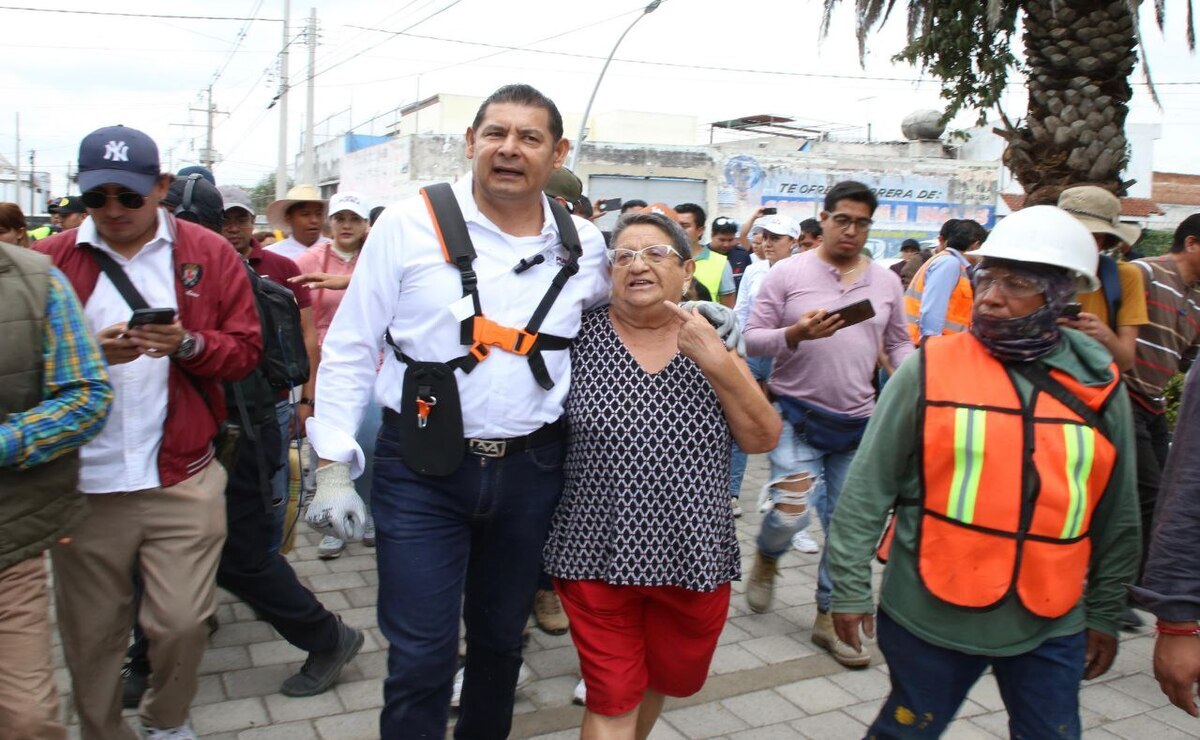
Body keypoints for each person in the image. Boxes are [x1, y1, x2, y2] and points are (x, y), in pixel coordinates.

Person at [302, 84, 612, 739]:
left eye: (530, 138)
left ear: (556, 154)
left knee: (500, 649)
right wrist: (332, 461)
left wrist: (692, 320)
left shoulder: (582, 243)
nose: (509, 148)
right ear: (470, 142)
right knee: (421, 659)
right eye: (496, 133)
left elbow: (617, 325)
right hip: (420, 470)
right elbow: (353, 344)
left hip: (533, 471)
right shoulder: (407, 224)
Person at [828, 205, 1141, 738]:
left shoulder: (1098, 381)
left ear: (1061, 293)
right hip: (929, 610)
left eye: (1017, 282)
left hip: (1052, 619)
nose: (991, 296)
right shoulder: (930, 368)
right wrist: (850, 589)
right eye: (986, 277)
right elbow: (867, 489)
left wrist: (1106, 611)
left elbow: (1119, 513)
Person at [36, 124, 262, 740]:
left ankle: (166, 719)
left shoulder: (207, 255)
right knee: (91, 637)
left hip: (181, 476)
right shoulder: (50, 262)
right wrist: (87, 356)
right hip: (83, 486)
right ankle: (103, 731)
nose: (112, 211)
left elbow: (245, 353)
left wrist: (187, 343)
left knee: (184, 622)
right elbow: (21, 368)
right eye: (97, 197)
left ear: (160, 188)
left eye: (129, 197)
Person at [543, 210, 780, 739]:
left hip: (691, 555)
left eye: (654, 253)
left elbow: (762, 438)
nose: (637, 265)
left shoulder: (709, 336)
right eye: (623, 255)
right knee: (611, 695)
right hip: (593, 553)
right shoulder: (577, 337)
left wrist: (717, 360)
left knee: (660, 679)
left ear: (687, 271)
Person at [743, 180, 912, 668]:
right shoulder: (787, 273)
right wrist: (795, 334)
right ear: (825, 218)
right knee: (791, 512)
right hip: (797, 416)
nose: (851, 231)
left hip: (860, 425)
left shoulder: (884, 281)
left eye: (862, 223)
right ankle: (769, 553)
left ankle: (829, 615)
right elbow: (753, 340)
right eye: (843, 220)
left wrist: (915, 374)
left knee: (846, 527)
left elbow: (898, 342)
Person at [0, 241, 113, 740]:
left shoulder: (36, 281)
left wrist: (7, 439)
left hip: (10, 547)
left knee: (29, 720)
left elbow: (88, 396)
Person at [219, 184, 321, 548]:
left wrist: (307, 400)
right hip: (217, 403)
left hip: (275, 401)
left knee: (273, 486)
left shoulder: (281, 267)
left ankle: (269, 559)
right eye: (224, 219)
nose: (232, 227)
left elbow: (308, 334)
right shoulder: (200, 265)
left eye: (240, 219)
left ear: (252, 221)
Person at [294, 191, 378, 558]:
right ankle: (333, 525)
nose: (346, 225)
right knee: (327, 447)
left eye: (354, 219)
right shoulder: (309, 260)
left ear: (365, 225)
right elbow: (305, 328)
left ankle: (369, 512)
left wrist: (346, 281)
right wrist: (307, 387)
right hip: (327, 365)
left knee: (372, 443)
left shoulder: (378, 258)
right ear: (331, 223)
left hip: (374, 365)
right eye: (340, 218)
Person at [1125, 214, 1200, 602]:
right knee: (1148, 493)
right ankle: (1124, 591)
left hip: (1152, 403)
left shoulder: (1196, 299)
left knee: (1162, 498)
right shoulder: (1143, 273)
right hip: (1121, 396)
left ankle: (1137, 585)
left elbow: (1185, 359)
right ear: (1191, 243)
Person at [1129, 359, 1200, 717]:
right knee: (1147, 494)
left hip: (1150, 403)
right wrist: (1177, 618)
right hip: (1132, 400)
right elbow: (1190, 484)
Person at [728, 214, 795, 518]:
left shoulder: (801, 273)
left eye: (775, 238)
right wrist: (737, 350)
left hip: (787, 356)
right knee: (745, 420)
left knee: (785, 428)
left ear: (793, 242)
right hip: (753, 354)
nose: (768, 244)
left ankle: (779, 493)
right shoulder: (754, 271)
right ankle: (731, 492)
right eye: (764, 237)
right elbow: (741, 312)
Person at [1058, 185, 1148, 372]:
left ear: (1107, 240)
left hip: (1088, 393)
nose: (1082, 243)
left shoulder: (1124, 276)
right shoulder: (1030, 272)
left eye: (1095, 237)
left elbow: (1125, 362)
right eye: (1076, 234)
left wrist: (1104, 335)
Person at [904, 218, 987, 345]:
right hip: (927, 345)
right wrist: (932, 344)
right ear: (976, 246)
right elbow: (933, 308)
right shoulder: (949, 263)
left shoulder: (953, 263)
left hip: (938, 344)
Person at [676, 202, 736, 307]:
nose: (678, 230)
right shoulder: (664, 260)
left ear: (700, 230)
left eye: (685, 226)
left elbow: (728, 310)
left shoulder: (720, 263)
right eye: (675, 225)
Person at [265, 184, 328, 261]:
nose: (314, 220)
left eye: (319, 214)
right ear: (288, 218)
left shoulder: (336, 251)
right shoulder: (272, 255)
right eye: (305, 214)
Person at [708, 215, 752, 290]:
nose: (726, 244)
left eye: (730, 240)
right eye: (722, 240)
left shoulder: (742, 255)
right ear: (712, 235)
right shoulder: (702, 255)